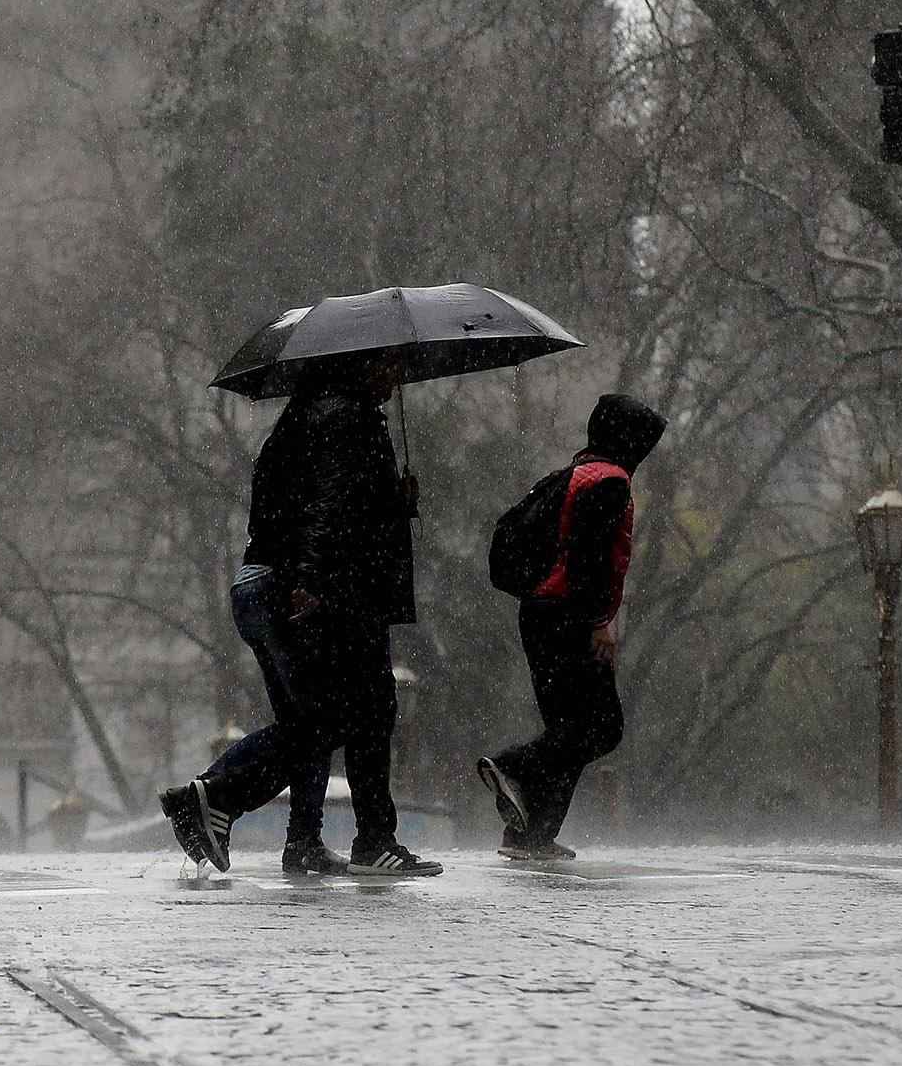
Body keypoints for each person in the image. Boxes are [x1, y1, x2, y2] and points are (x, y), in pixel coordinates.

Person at [163, 353, 442, 877]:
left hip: (263, 584)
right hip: (315, 589)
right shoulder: (347, 417)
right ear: (357, 365)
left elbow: (303, 505)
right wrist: (312, 579)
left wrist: (391, 501)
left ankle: (302, 839)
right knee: (351, 713)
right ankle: (217, 796)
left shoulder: (299, 421)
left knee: (312, 715)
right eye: (385, 363)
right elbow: (327, 505)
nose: (395, 375)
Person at [478, 393, 666, 860]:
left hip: (539, 613)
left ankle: (531, 835)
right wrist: (598, 622)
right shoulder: (610, 482)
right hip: (569, 615)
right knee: (602, 727)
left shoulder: (571, 474)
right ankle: (513, 766)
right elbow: (589, 559)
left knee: (569, 729)